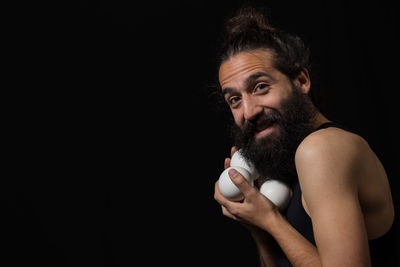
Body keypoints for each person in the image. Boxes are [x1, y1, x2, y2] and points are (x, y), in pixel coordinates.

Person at [213, 4, 395, 267]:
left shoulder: (323, 148)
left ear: (300, 81)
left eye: (261, 87)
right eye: (234, 100)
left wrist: (271, 221)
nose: (248, 111)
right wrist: (258, 227)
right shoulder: (291, 162)